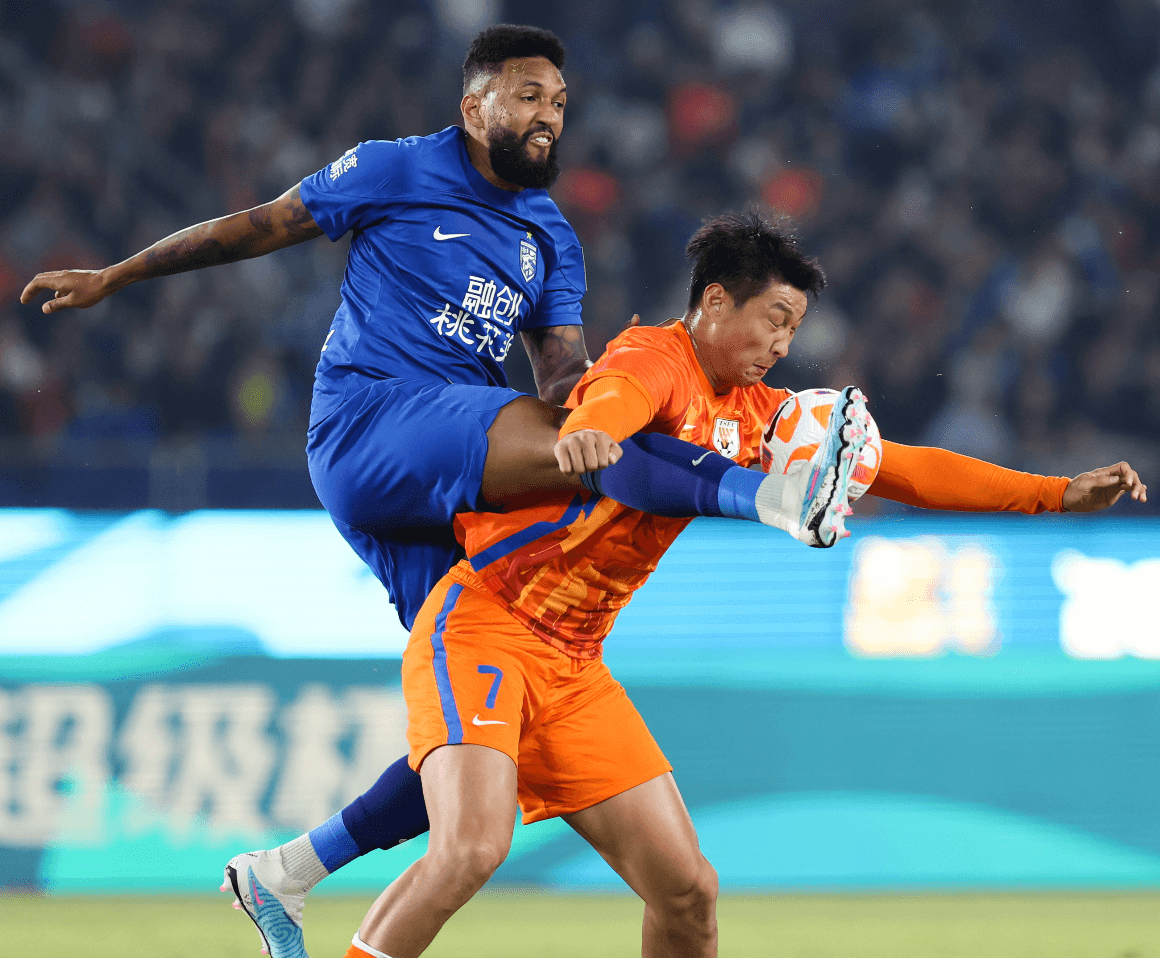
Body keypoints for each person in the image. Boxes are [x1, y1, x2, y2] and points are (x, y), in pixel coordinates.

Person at [266, 212, 1145, 958]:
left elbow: (903, 470)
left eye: (794, 327)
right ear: (715, 302)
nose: (782, 343)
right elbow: (616, 409)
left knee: (686, 887)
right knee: (471, 848)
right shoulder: (653, 357)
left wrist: (1054, 494)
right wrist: (590, 431)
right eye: (774, 319)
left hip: (573, 663)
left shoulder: (761, 415)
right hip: (483, 623)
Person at [19, 23, 854, 638]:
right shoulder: (395, 167)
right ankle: (772, 498)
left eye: (559, 103)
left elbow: (566, 384)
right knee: (584, 447)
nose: (548, 116)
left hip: (443, 472)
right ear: (474, 106)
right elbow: (257, 226)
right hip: (369, 418)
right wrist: (116, 275)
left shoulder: (552, 239)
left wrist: (635, 385)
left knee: (480, 671)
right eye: (528, 96)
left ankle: (334, 840)